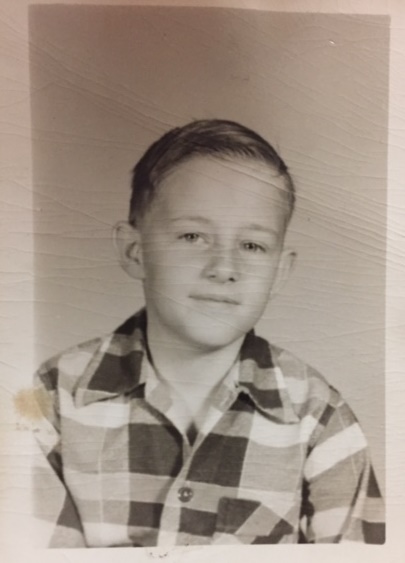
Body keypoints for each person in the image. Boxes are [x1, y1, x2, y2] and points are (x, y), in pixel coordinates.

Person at [31, 119, 384, 547]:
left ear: (279, 271)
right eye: (193, 236)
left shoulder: (318, 416)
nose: (224, 268)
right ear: (134, 251)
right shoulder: (51, 399)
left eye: (252, 245)